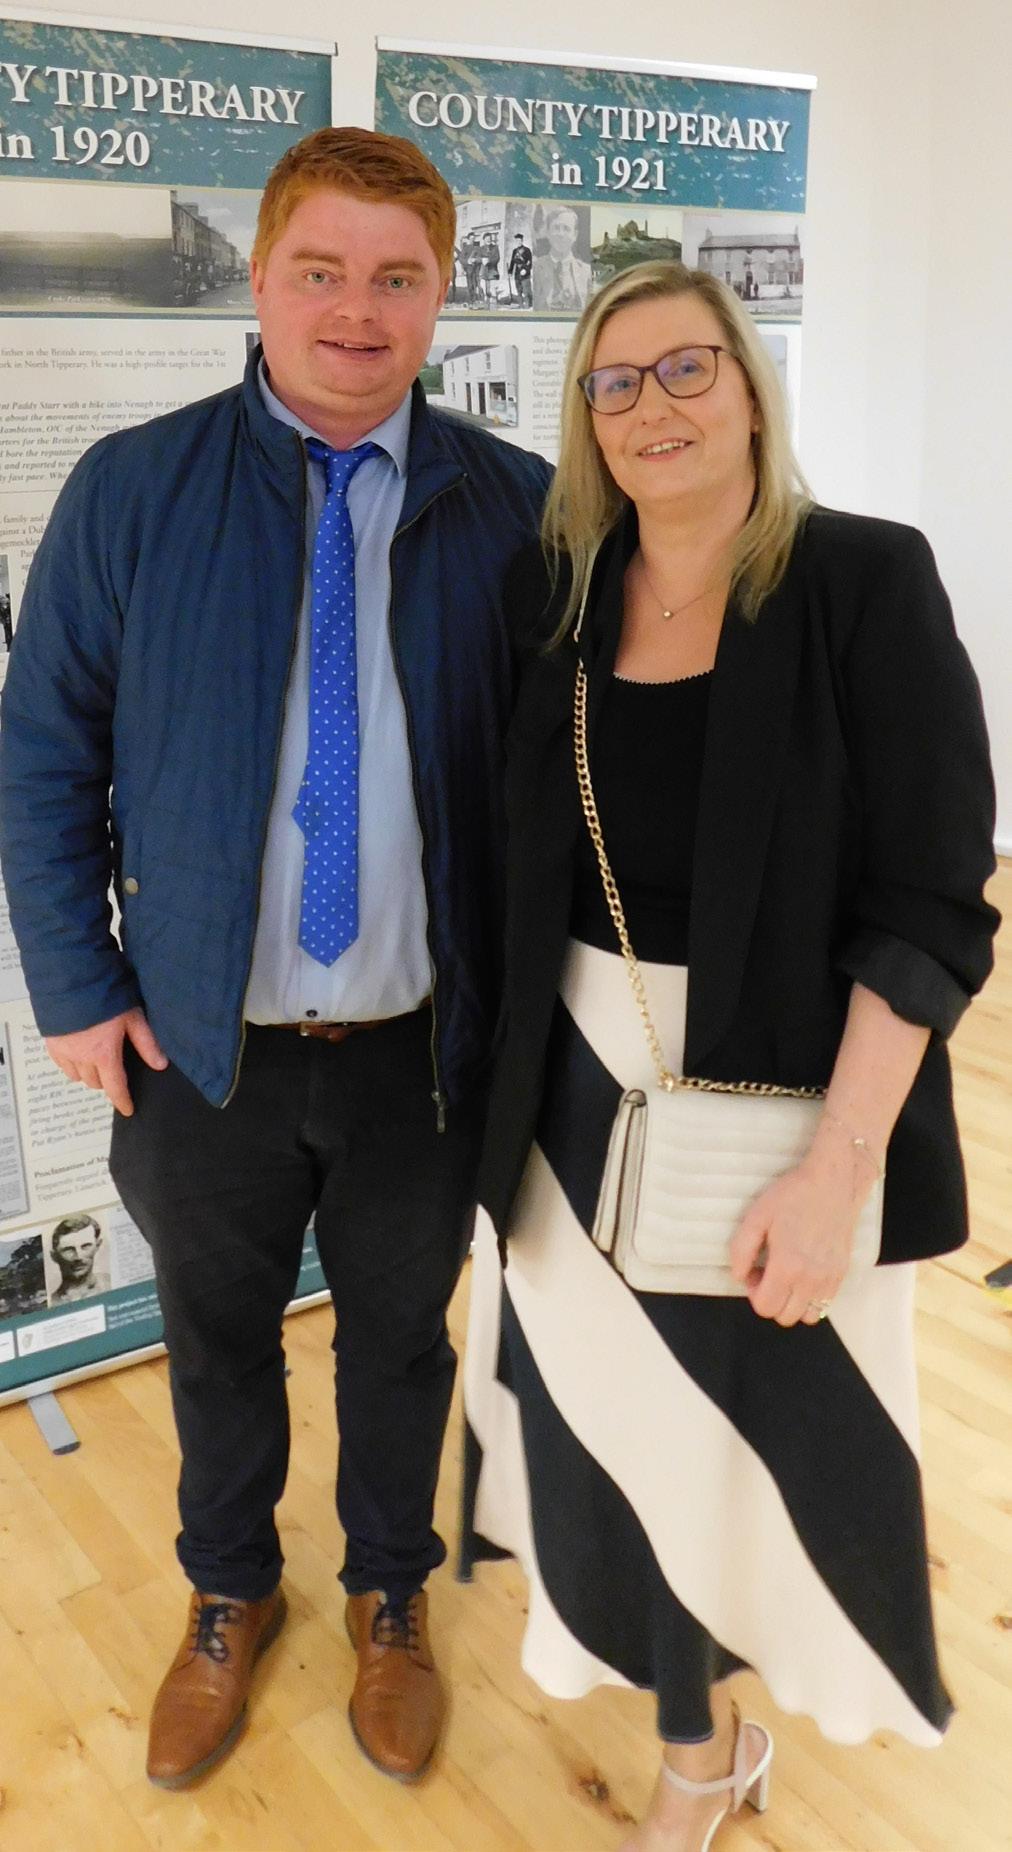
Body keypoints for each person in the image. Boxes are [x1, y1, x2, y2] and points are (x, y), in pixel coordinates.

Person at [0, 126, 551, 1792]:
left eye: (396, 277)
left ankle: (390, 1590)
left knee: (401, 1341)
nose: (356, 310)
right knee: (217, 1336)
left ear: (440, 296)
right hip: (200, 1050)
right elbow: (43, 754)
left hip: (420, 1051)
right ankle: (229, 1590)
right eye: (320, 269)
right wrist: (77, 987)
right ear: (256, 277)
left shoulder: (517, 510)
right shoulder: (132, 491)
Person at [462, 260, 998, 1852]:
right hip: (573, 1082)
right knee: (616, 1451)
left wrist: (838, 1172)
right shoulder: (555, 597)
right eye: (615, 382)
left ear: (752, 388)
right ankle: (699, 1743)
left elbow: (930, 902)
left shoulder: (862, 580)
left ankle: (732, 1739)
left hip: (791, 1095)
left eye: (686, 368)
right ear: (586, 418)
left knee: (766, 1462)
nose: (653, 407)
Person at [531, 206, 592, 311]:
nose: (561, 234)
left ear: (575, 235)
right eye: (556, 228)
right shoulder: (534, 269)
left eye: (566, 229)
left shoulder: (586, 272)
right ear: (548, 233)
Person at [48, 1213, 105, 1301]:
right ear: (54, 1256)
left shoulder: (111, 1283)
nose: (78, 1257)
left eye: (86, 1246)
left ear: (97, 1246)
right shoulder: (51, 1302)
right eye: (69, 1249)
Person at [507, 231, 533, 308]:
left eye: (519, 240)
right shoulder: (514, 251)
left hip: (525, 274)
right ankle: (521, 306)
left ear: (522, 241)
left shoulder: (527, 250)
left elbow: (530, 262)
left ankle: (528, 306)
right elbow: (512, 262)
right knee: (519, 291)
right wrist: (510, 271)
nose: (518, 242)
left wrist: (525, 270)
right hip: (517, 273)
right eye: (517, 241)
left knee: (526, 291)